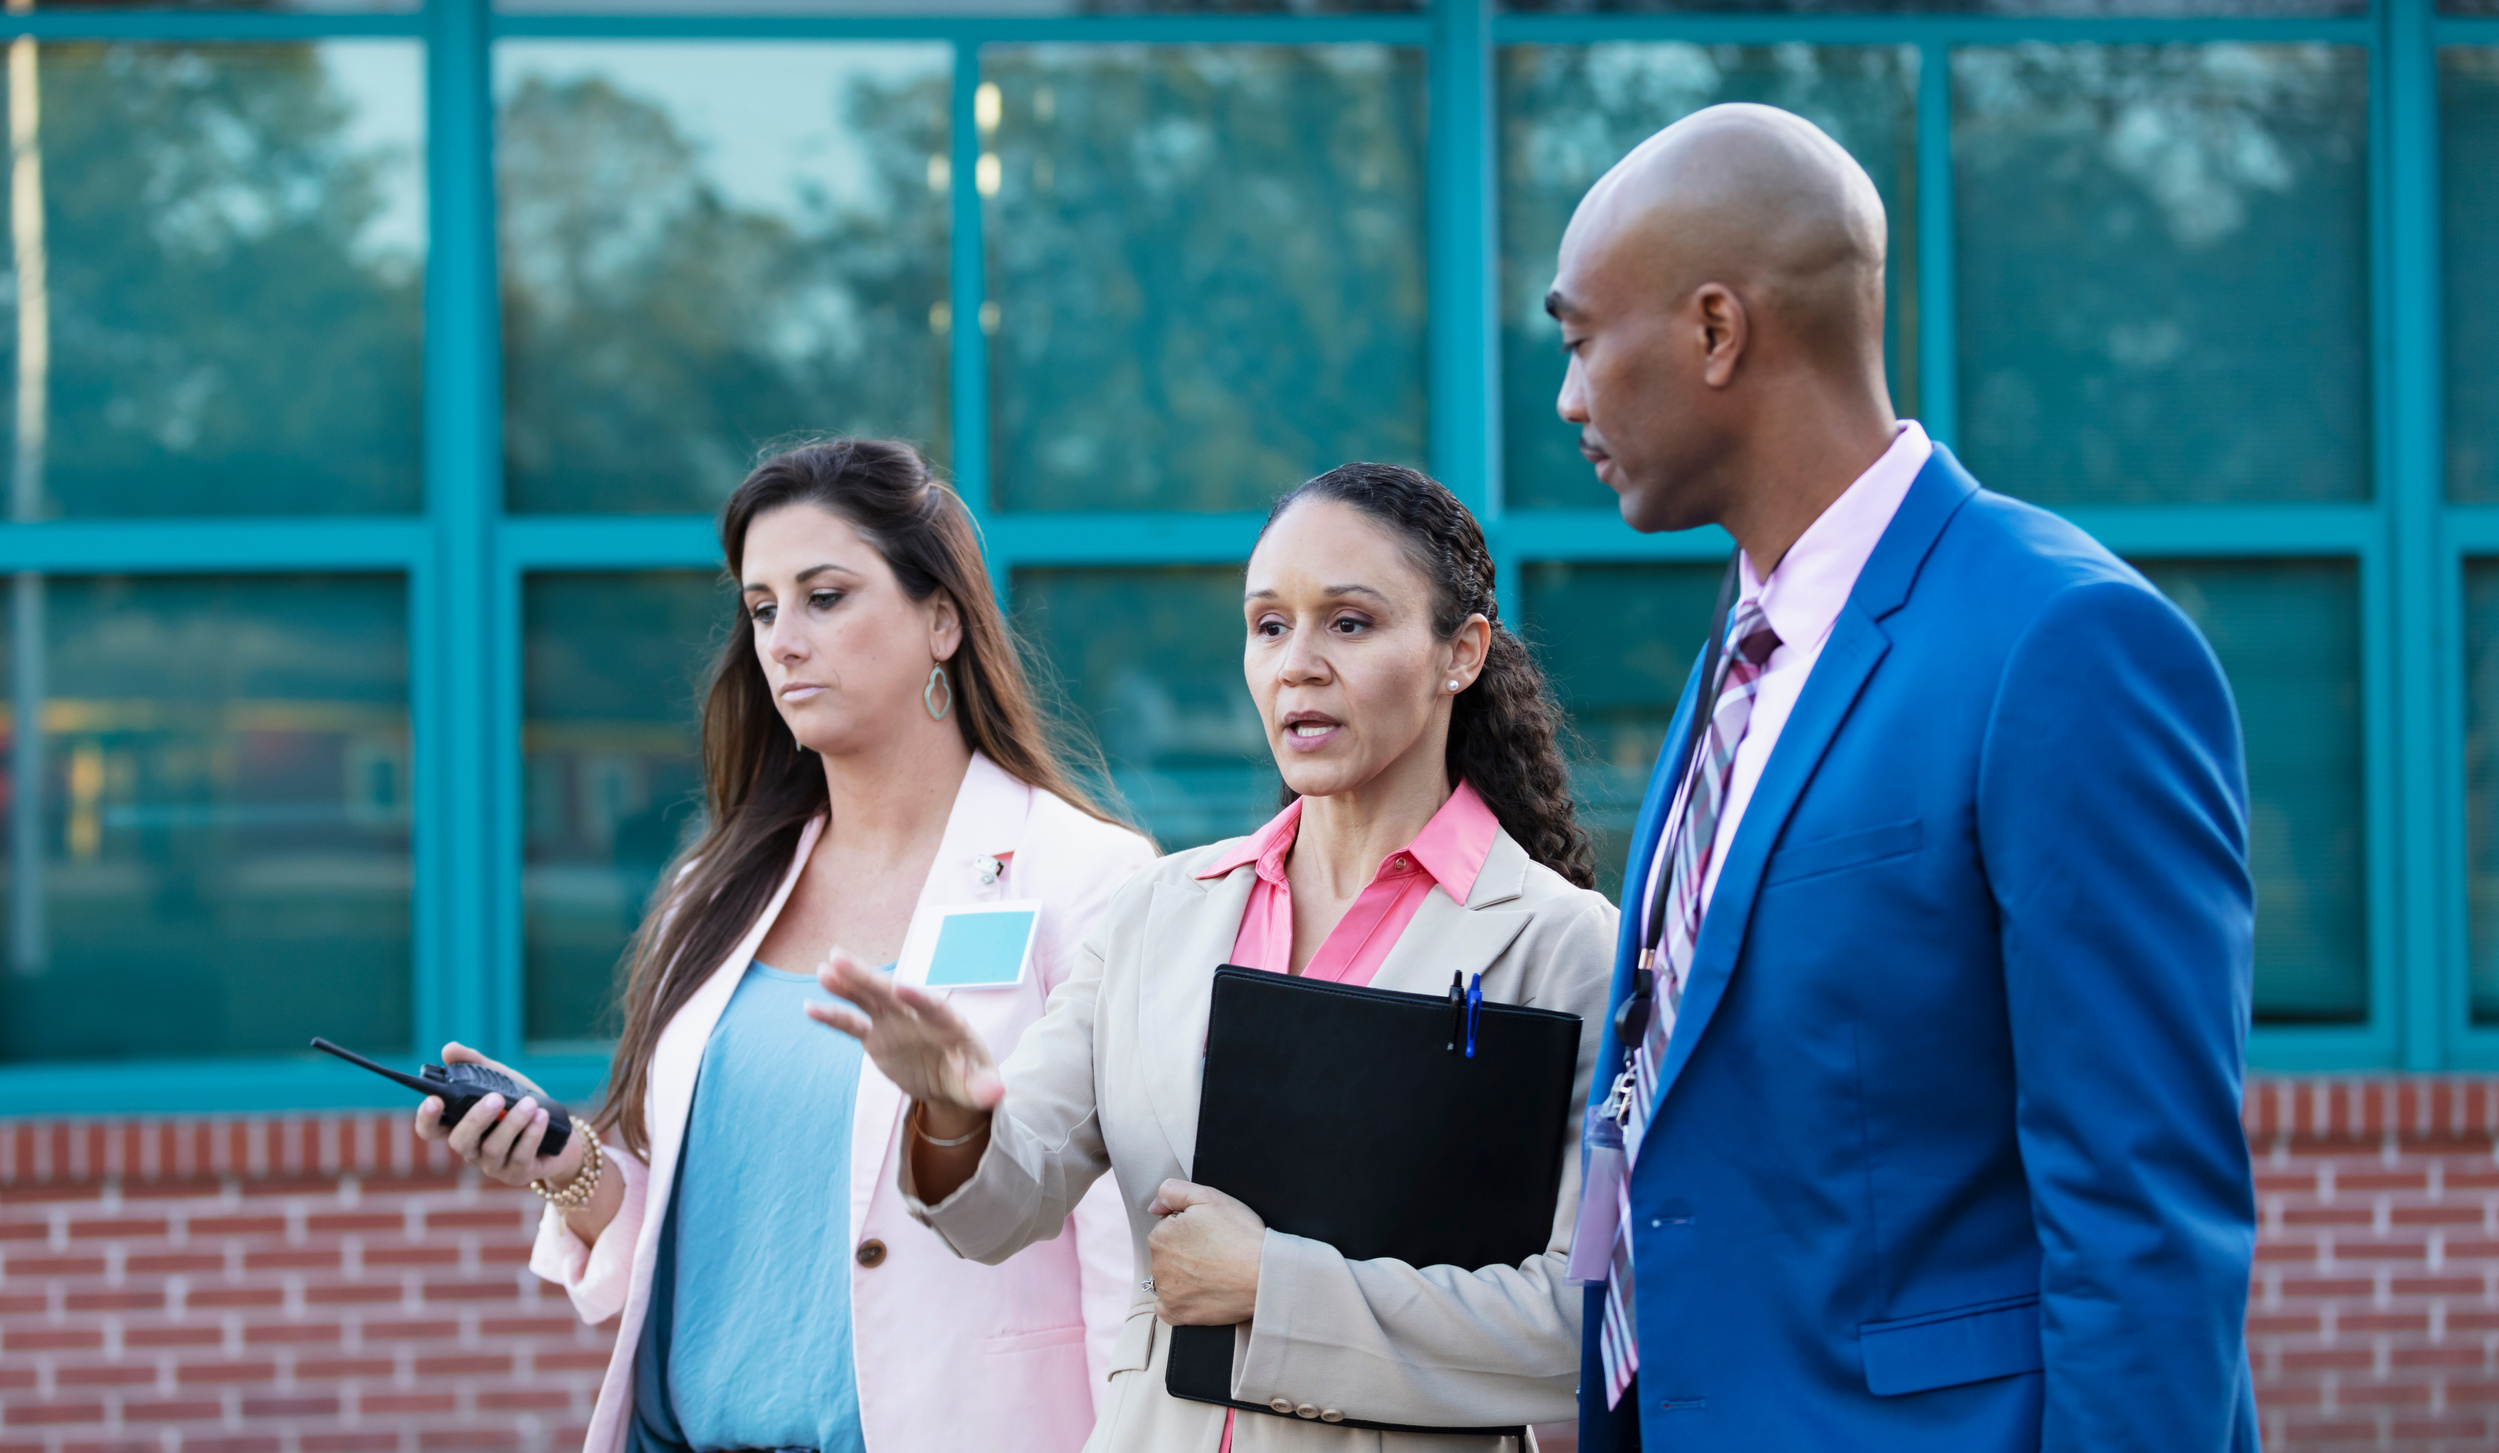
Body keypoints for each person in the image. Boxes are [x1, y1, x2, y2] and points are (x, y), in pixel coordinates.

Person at [1545, 103, 2258, 1451]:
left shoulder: (2061, 645)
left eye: (1581, 338)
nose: (1569, 396)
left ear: (1713, 331)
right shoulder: (1740, 649)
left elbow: (2142, 1221)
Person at [814, 463, 1617, 1450]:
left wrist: (1276, 1288)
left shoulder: (1562, 942)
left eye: (1350, 624)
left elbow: (1578, 1329)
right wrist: (949, 1107)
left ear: (1462, 652)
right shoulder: (1159, 909)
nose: (1297, 664)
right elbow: (1002, 1211)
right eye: (1269, 624)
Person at [410, 438, 1158, 1453]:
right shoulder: (711, 888)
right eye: (762, 608)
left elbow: (1130, 1257)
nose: (783, 641)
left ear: (942, 619)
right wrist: (567, 1166)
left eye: (825, 596)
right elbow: (694, 1243)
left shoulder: (1089, 878)